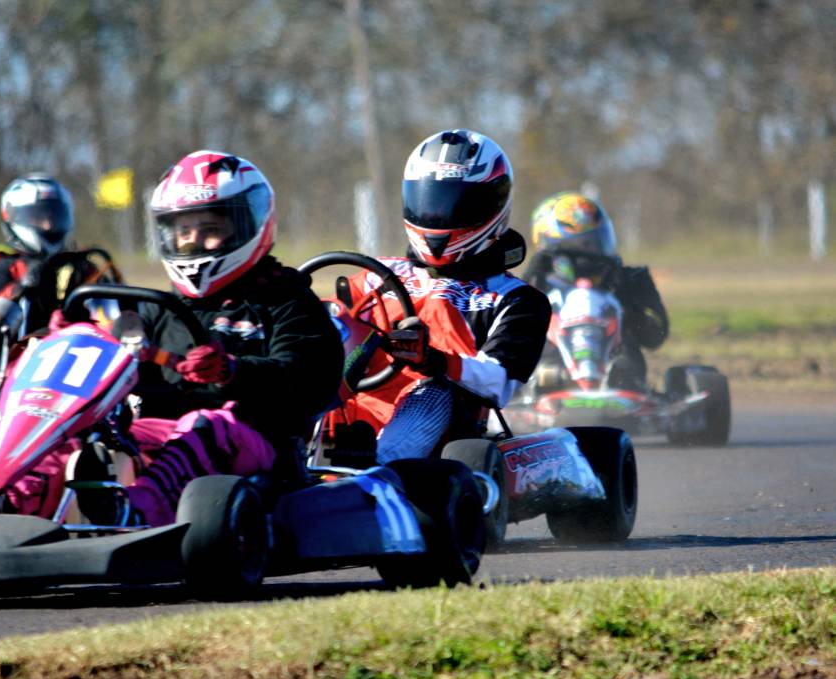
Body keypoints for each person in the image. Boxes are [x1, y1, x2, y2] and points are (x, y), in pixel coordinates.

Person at [64, 150, 345, 526]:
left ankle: (133, 515)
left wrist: (233, 371)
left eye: (210, 230)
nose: (194, 243)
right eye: (184, 232)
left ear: (247, 226)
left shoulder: (284, 299)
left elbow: (309, 380)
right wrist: (72, 343)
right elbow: (122, 366)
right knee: (87, 433)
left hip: (256, 446)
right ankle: (19, 500)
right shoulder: (160, 308)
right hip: (164, 434)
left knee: (203, 425)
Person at [329, 129, 551, 465]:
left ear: (494, 205)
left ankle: (378, 470)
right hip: (352, 399)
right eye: (430, 202)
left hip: (438, 408)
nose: (439, 216)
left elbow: (499, 382)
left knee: (432, 389)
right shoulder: (373, 275)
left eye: (457, 205)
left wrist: (436, 361)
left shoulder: (515, 298)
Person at [0, 174, 119, 345]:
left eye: (54, 217)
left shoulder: (84, 269)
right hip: (15, 361)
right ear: (12, 217)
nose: (47, 225)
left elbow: (110, 316)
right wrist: (20, 289)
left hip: (79, 357)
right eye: (38, 218)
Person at [524, 191, 669, 391]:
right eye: (581, 245)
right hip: (553, 373)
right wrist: (531, 281)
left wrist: (627, 304)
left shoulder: (625, 280)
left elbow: (656, 336)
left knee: (626, 365)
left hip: (616, 370)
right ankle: (545, 385)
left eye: (595, 242)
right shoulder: (537, 282)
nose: (591, 252)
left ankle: (623, 387)